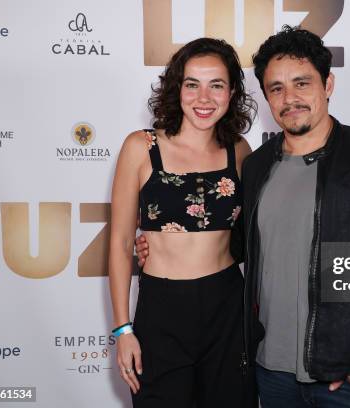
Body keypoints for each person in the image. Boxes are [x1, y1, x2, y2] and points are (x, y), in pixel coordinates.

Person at [137, 26, 350, 408]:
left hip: (344, 377)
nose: (290, 99)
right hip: (268, 373)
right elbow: (233, 243)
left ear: (328, 84)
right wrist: (157, 241)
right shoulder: (254, 167)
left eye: (302, 83)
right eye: (276, 88)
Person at [109, 37, 255, 408]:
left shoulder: (239, 150)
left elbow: (253, 234)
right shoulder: (140, 147)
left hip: (227, 306)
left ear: (232, 91)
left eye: (216, 85)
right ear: (178, 89)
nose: (203, 98)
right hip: (163, 309)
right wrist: (123, 328)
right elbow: (122, 243)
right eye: (193, 84)